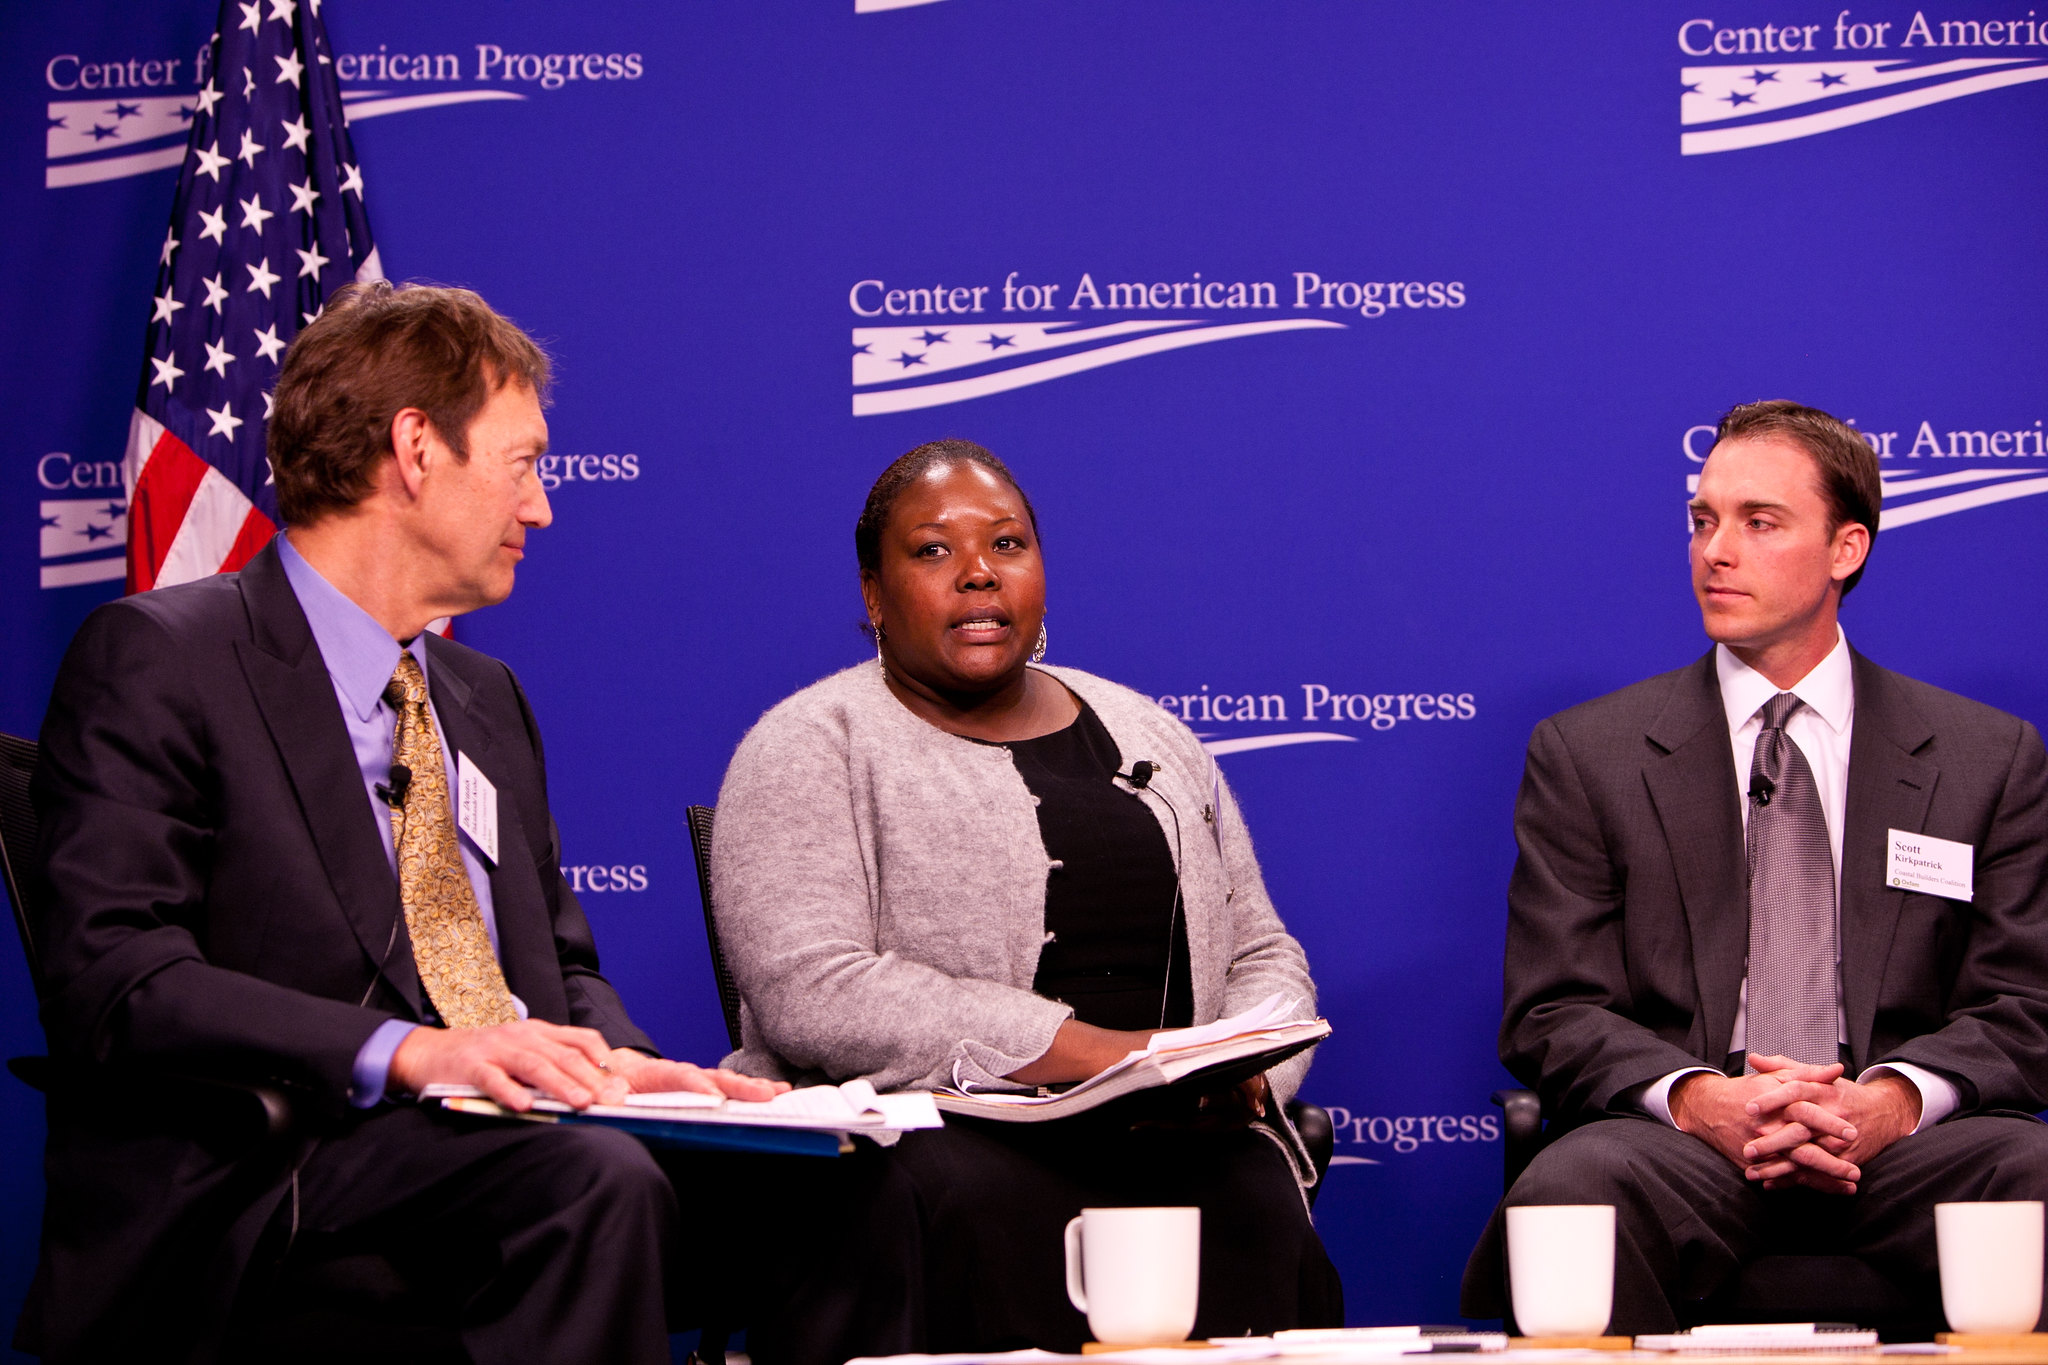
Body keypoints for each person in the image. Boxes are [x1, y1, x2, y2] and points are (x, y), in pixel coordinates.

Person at [23, 281, 781, 1365]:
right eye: (523, 465)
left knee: (847, 1182)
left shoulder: (482, 697)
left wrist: (621, 1062)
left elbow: (559, 967)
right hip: (277, 1157)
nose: (543, 508)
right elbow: (116, 975)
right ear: (416, 449)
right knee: (589, 1184)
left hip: (500, 1138)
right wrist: (414, 1053)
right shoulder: (163, 657)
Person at [709, 439, 1344, 1357]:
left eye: (1006, 546)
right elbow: (813, 986)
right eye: (932, 551)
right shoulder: (811, 745)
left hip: (1177, 1129)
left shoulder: (1148, 731)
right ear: (873, 594)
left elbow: (1262, 951)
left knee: (1253, 1188)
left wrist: (1236, 1072)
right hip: (935, 1146)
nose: (977, 574)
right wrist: (1095, 1056)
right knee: (955, 1192)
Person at [1461, 400, 2048, 1332]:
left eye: (1758, 522)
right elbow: (1553, 1010)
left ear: (1846, 549)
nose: (1714, 550)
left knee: (2032, 1176)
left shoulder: (1988, 758)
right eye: (1703, 520)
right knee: (1573, 1188)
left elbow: (2024, 1005)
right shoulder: (1590, 753)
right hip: (1687, 1143)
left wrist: (1889, 1100)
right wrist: (1704, 1100)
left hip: (1902, 1142)